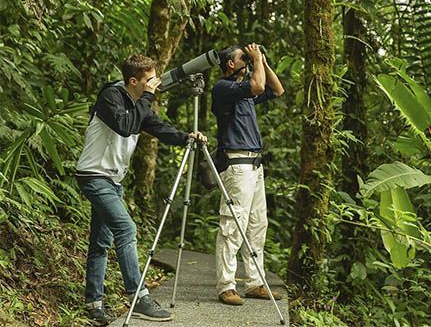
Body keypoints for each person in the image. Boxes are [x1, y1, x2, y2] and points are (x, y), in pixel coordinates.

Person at [76, 54, 207, 325]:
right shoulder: (110, 96)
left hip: (112, 180)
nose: (154, 84)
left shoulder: (139, 105)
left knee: (101, 242)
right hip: (94, 176)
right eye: (149, 80)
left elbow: (159, 129)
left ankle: (94, 303)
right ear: (133, 81)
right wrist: (147, 97)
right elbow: (125, 127)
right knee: (127, 229)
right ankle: (139, 297)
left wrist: (186, 138)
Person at [212, 43, 284, 306]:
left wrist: (260, 61)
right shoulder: (224, 88)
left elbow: (276, 89)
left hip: (255, 166)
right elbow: (256, 86)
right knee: (233, 225)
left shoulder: (245, 92)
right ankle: (226, 286)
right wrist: (254, 62)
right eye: (243, 57)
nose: (249, 59)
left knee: (256, 225)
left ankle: (255, 283)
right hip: (237, 164)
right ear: (230, 64)